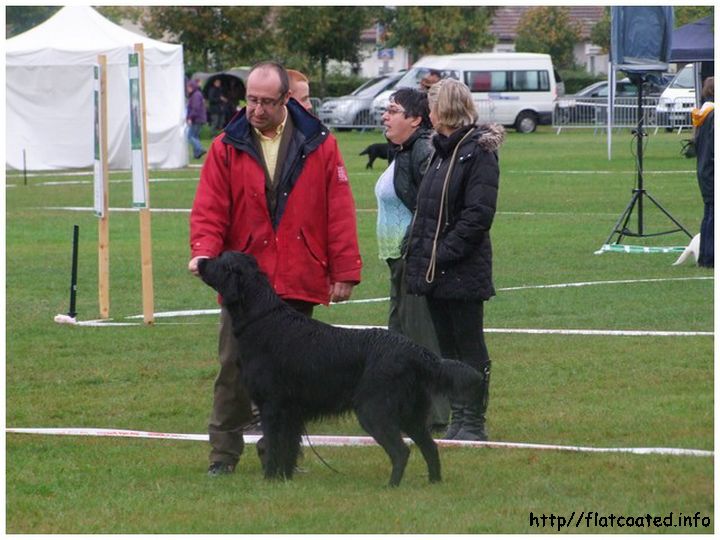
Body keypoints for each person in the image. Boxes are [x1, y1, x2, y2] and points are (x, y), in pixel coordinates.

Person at [188, 61, 362, 476]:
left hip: (298, 273)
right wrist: (204, 251)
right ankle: (223, 456)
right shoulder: (226, 145)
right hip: (244, 283)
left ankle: (279, 456)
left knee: (292, 376)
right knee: (233, 368)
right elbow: (210, 208)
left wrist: (345, 270)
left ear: (287, 99)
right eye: (251, 99)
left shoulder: (320, 143)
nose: (256, 109)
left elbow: (337, 210)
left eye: (266, 101)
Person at [404, 78, 505, 441]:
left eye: (431, 106)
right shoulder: (439, 152)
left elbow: (478, 215)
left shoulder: (477, 152)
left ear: (442, 109)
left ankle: (473, 420)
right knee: (447, 347)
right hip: (436, 270)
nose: (427, 113)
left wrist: (444, 254)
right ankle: (460, 417)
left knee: (469, 345)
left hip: (461, 269)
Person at [375, 87, 449, 433]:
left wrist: (412, 246)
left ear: (416, 119)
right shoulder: (403, 150)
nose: (385, 116)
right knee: (398, 336)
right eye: (386, 110)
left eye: (393, 110)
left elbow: (431, 204)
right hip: (397, 259)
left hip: (413, 258)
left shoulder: (421, 150)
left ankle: (434, 414)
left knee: (420, 338)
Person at [693, 76, 714, 268]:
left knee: (709, 213)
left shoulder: (703, 114)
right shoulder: (713, 115)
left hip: (704, 170)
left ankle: (706, 256)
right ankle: (710, 256)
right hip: (712, 171)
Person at [186, 79, 207, 159]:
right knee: (195, 136)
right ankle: (197, 154)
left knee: (190, 136)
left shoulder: (195, 95)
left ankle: (200, 149)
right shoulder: (196, 94)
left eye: (189, 87)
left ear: (193, 87)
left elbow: (195, 108)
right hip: (199, 118)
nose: (188, 89)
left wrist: (190, 117)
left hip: (196, 119)